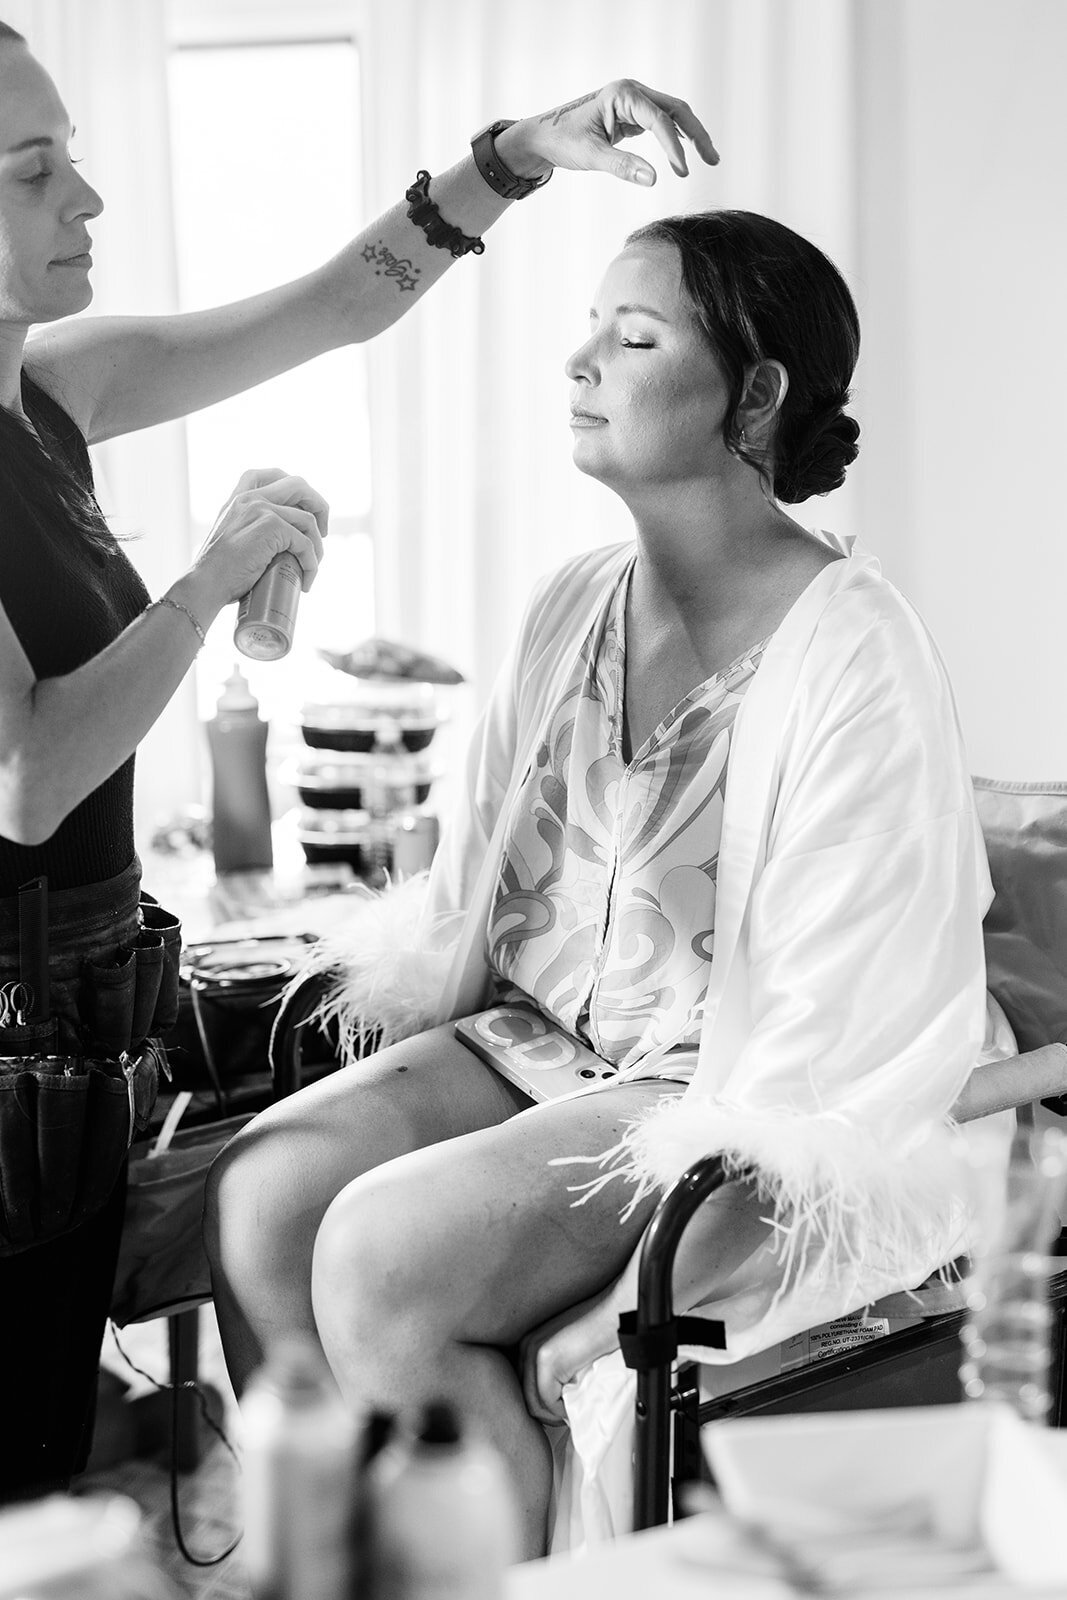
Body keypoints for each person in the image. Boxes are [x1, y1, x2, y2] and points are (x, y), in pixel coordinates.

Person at [204, 206, 1028, 1557]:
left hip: (712, 1083)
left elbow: (843, 1040)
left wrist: (615, 1308)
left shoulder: (854, 657)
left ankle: (507, 1577)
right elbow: (478, 895)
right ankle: (361, 1561)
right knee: (264, 1190)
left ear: (755, 392)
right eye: (589, 330)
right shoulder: (570, 602)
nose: (581, 362)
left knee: (380, 1254)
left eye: (632, 337)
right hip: (543, 1038)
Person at [0, 13, 716, 1502]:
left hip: (101, 992)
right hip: (18, 1036)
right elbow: (30, 774)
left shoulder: (53, 391)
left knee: (334, 1065)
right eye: (33, 172)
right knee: (28, 1455)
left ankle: (324, 1544)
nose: (87, 200)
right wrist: (207, 582)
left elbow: (338, 303)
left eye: (70, 157)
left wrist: (519, 153)